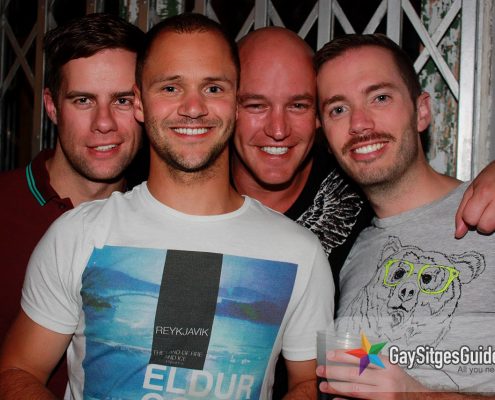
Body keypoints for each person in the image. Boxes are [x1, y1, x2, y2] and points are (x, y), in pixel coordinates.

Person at [0, 13, 333, 400]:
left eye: (213, 88)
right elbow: (18, 370)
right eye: (171, 88)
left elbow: (311, 381)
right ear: (140, 103)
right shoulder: (78, 234)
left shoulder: (299, 251)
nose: (193, 107)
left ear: (236, 103)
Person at [315, 33, 495, 398]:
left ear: (422, 111)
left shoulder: (488, 215)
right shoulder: (345, 253)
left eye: (380, 98)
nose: (359, 123)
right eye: (338, 109)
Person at [0, 13, 144, 397]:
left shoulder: (161, 220)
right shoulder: (5, 208)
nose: (104, 122)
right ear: (51, 107)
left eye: (122, 100)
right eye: (83, 100)